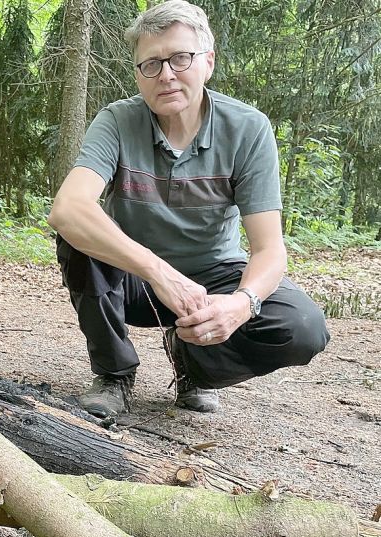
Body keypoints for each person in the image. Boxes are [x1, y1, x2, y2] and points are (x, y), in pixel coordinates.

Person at [47, 0, 329, 418]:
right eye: (151, 64)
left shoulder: (248, 129)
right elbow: (67, 209)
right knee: (79, 235)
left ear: (208, 62)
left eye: (181, 58)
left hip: (212, 283)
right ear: (138, 74)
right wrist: (160, 273)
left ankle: (195, 365)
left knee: (303, 327)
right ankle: (114, 373)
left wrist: (241, 303)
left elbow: (270, 251)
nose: (166, 75)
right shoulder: (118, 122)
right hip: (133, 281)